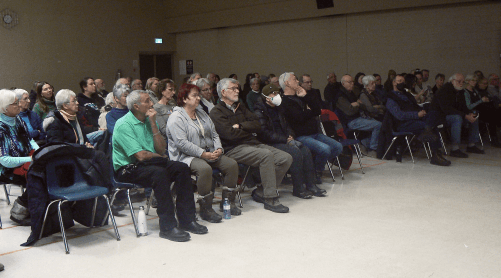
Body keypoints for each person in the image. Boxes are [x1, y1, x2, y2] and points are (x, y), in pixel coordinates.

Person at [113, 90, 207, 241]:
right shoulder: (123, 124)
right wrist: (159, 157)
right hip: (128, 168)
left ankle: (187, 220)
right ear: (136, 106)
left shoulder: (149, 119)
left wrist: (153, 124)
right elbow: (141, 156)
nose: (151, 104)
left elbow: (161, 148)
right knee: (159, 174)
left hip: (150, 162)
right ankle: (167, 227)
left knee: (182, 168)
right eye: (147, 101)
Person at [209, 78, 292, 213]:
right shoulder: (216, 112)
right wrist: (248, 131)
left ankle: (261, 192)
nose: (237, 91)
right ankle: (270, 198)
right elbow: (229, 135)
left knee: (285, 158)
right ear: (223, 92)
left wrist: (241, 126)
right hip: (233, 149)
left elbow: (257, 124)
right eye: (233, 89)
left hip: (252, 144)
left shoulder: (240, 106)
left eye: (237, 88)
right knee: (266, 155)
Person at [167, 83, 240, 223]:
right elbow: (182, 143)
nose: (198, 98)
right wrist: (202, 154)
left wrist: (218, 148)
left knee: (231, 165)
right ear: (184, 99)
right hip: (186, 157)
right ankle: (206, 208)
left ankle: (228, 201)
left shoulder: (202, 113)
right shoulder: (176, 117)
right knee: (204, 169)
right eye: (194, 96)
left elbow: (214, 134)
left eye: (198, 95)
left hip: (209, 153)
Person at [254, 83, 316, 199]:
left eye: (278, 93)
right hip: (270, 142)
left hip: (284, 139)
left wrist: (291, 135)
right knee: (295, 152)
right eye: (273, 93)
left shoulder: (279, 109)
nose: (277, 95)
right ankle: (298, 189)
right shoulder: (259, 112)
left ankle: (311, 185)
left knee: (305, 150)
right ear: (266, 97)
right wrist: (284, 139)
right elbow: (264, 133)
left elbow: (287, 126)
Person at [280, 72, 341, 188]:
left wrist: (306, 96)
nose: (298, 81)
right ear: (287, 83)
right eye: (295, 79)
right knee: (325, 150)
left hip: (314, 133)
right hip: (300, 135)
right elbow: (299, 117)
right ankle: (314, 173)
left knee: (338, 147)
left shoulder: (300, 96)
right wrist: (308, 112)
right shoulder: (284, 101)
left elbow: (318, 111)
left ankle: (313, 169)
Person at [385, 75, 451, 166]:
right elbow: (399, 115)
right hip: (402, 124)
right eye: (399, 81)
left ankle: (435, 152)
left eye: (403, 81)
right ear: (394, 82)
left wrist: (421, 111)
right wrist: (416, 114)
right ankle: (436, 154)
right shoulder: (390, 98)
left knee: (433, 115)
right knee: (428, 125)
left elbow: (414, 107)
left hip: (415, 119)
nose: (402, 83)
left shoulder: (407, 95)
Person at [0, 89, 40, 225]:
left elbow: (30, 140)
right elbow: (5, 161)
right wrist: (31, 159)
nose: (19, 105)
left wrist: (38, 151)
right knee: (40, 176)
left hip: (25, 162)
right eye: (15, 103)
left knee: (47, 169)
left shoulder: (17, 119)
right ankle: (19, 211)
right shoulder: (1, 128)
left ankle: (35, 209)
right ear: (5, 108)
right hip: (6, 170)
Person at [428, 73, 482, 157]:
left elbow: (461, 106)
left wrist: (468, 113)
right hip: (439, 116)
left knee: (473, 116)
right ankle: (455, 148)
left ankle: (471, 145)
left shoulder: (459, 91)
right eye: (459, 81)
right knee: (457, 118)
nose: (461, 83)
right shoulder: (444, 91)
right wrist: (465, 115)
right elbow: (447, 109)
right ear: (452, 81)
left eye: (463, 82)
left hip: (451, 114)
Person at [335, 75, 382, 157]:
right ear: (343, 84)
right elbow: (349, 111)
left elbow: (361, 105)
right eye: (349, 82)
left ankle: (364, 143)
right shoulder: (340, 96)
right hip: (350, 121)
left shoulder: (351, 93)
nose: (352, 84)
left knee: (380, 123)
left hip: (358, 117)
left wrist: (356, 105)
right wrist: (358, 105)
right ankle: (372, 149)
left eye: (353, 82)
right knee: (378, 125)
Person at [463, 74, 501, 147]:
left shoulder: (475, 91)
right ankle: (494, 139)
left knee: (495, 112)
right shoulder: (465, 92)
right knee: (493, 114)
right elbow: (469, 106)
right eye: (473, 80)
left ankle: (495, 138)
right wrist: (481, 100)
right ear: (468, 81)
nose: (475, 82)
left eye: (476, 81)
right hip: (474, 112)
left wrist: (485, 100)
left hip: (482, 110)